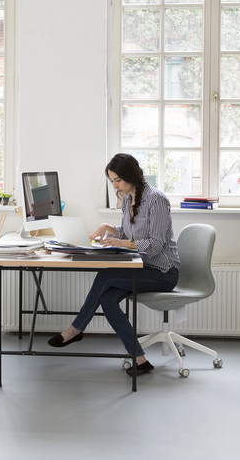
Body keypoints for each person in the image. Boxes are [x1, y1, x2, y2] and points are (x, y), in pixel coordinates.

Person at [47, 153, 181, 376]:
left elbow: (156, 245)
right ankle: (139, 360)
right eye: (112, 181)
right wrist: (107, 227)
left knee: (106, 276)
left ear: (130, 175)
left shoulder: (157, 200)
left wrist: (125, 243)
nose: (115, 186)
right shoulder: (128, 198)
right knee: (108, 300)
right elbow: (127, 233)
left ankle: (76, 328)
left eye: (118, 180)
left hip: (163, 272)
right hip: (141, 267)